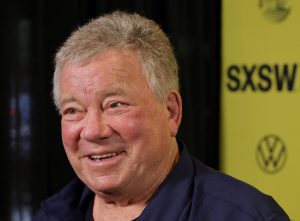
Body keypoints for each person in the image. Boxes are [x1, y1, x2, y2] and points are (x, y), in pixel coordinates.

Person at [33, 11, 290, 221]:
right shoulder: (51, 215)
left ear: (171, 112)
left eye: (114, 105)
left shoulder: (247, 216)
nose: (92, 131)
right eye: (73, 111)